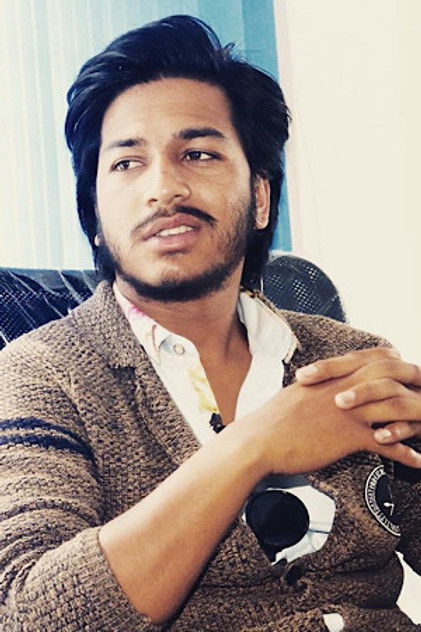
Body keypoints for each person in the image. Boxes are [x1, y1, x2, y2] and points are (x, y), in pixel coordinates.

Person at [0, 14, 420, 632]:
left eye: (197, 154)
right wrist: (254, 445)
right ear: (94, 218)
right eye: (126, 164)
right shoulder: (38, 377)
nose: (163, 188)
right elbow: (30, 614)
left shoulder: (346, 358)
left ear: (261, 198)